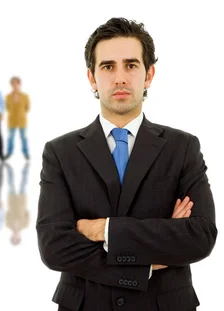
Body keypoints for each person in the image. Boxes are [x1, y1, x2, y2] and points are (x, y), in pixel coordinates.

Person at [36, 17, 216, 311]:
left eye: (131, 65)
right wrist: (148, 257)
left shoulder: (183, 147)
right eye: (108, 66)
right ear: (92, 77)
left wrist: (103, 230)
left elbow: (200, 236)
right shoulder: (60, 152)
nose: (120, 77)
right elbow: (54, 247)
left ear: (149, 74)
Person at [4, 76, 30, 160]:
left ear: (19, 84)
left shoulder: (25, 96)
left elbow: (27, 107)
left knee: (23, 137)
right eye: (13, 83)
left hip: (21, 120)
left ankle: (26, 153)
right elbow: (7, 107)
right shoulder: (8, 96)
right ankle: (9, 152)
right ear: (11, 85)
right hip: (11, 119)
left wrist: (21, 113)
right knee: (10, 137)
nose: (15, 85)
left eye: (16, 83)